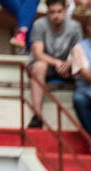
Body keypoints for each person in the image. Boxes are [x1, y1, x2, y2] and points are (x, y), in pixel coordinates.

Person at [29, 0, 83, 128]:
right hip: (46, 65)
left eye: (59, 11)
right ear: (47, 11)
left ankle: (89, 114)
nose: (56, 15)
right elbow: (38, 54)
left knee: (83, 67)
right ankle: (37, 116)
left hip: (65, 65)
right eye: (52, 12)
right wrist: (58, 63)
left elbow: (78, 53)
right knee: (39, 66)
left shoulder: (75, 26)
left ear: (65, 10)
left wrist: (69, 64)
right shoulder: (39, 24)